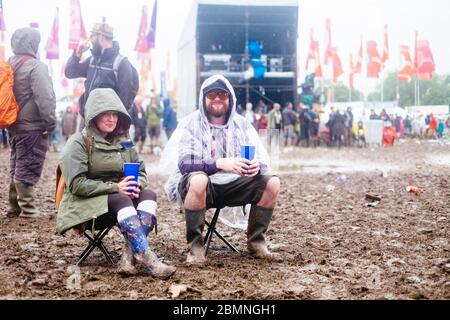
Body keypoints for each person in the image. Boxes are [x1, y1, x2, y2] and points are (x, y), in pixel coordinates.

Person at [161, 75, 281, 266]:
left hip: (234, 185)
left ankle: (256, 243)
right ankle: (195, 248)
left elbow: (261, 158)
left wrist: (258, 166)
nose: (217, 98)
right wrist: (219, 163)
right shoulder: (191, 124)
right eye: (212, 94)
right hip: (201, 188)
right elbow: (185, 164)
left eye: (222, 94)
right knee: (199, 180)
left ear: (230, 98)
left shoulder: (241, 125)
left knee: (272, 182)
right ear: (203, 98)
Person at [56, 88, 176, 278]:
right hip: (85, 207)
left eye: (114, 114)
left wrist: (136, 184)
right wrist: (115, 187)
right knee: (121, 198)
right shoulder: (78, 142)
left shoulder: (124, 142)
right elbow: (77, 185)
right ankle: (149, 261)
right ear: (94, 116)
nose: (111, 119)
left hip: (118, 202)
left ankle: (129, 256)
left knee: (149, 194)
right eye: (105, 114)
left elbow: (141, 170)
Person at [6, 27, 56, 218]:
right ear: (33, 44)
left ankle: (14, 206)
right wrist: (50, 123)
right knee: (29, 163)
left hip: (14, 124)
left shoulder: (10, 63)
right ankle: (28, 208)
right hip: (33, 125)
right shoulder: (36, 66)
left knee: (17, 162)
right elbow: (46, 98)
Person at [64, 22, 137, 124]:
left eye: (92, 36)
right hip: (88, 119)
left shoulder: (122, 64)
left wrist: (113, 126)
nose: (90, 39)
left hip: (107, 125)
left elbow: (125, 100)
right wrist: (77, 53)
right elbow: (69, 72)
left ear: (101, 37)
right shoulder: (92, 60)